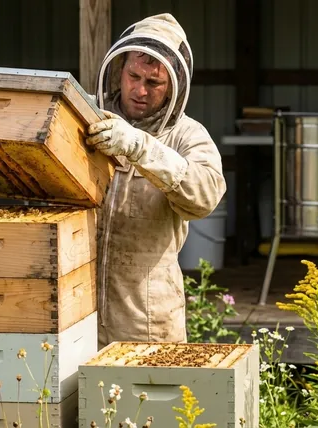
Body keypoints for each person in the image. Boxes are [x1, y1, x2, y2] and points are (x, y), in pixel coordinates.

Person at [85, 13, 226, 349]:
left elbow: (205, 195)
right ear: (120, 69)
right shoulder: (87, 115)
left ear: (174, 85)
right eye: (134, 76)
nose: (140, 90)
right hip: (77, 312)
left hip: (145, 319)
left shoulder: (187, 136)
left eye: (154, 83)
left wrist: (140, 146)